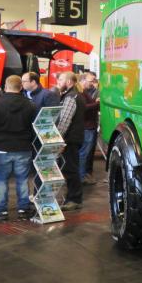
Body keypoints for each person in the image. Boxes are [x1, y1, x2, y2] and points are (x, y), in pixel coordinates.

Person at [0, 75, 38, 221]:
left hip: (1, 148)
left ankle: (0, 211)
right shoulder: (31, 105)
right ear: (21, 87)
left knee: (1, 180)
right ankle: (23, 209)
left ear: (5, 87)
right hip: (23, 147)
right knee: (22, 179)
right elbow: (35, 128)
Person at [56, 71, 85, 211]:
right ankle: (73, 198)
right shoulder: (74, 95)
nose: (58, 82)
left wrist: (58, 140)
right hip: (73, 139)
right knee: (70, 168)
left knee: (70, 169)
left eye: (60, 79)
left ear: (69, 82)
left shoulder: (71, 97)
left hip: (69, 140)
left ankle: (74, 199)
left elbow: (65, 121)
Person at [78, 72, 99, 185]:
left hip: (88, 127)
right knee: (84, 154)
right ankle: (81, 177)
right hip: (87, 127)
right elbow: (84, 108)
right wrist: (96, 103)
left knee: (84, 153)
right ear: (83, 80)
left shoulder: (84, 92)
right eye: (91, 81)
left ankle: (82, 175)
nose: (92, 83)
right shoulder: (81, 93)